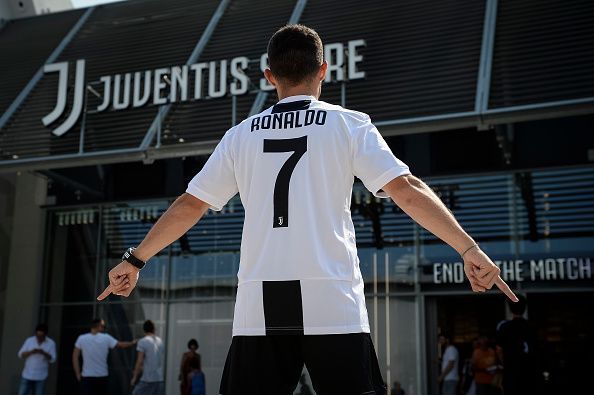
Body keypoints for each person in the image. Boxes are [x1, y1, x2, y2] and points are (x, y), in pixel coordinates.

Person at [97, 24, 517, 394]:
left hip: (260, 298)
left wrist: (135, 260)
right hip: (330, 294)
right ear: (323, 70)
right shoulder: (348, 124)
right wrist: (468, 248)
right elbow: (405, 190)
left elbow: (191, 204)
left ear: (269, 77)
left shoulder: (240, 135)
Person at [72, 318, 136, 395]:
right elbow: (121, 345)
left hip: (87, 376)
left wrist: (78, 374)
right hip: (102, 376)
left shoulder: (81, 338)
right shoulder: (106, 338)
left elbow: (75, 357)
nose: (104, 328)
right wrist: (132, 343)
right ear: (99, 326)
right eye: (103, 326)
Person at [496, 295, 540, 395]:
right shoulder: (532, 327)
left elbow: (499, 349)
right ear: (525, 308)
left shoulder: (504, 327)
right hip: (530, 374)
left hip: (511, 374)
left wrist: (505, 363)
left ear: (510, 309)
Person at [17, 323, 56, 395]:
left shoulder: (51, 343)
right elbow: (20, 354)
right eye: (37, 336)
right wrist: (31, 352)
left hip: (40, 376)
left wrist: (43, 353)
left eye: (41, 336)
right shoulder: (29, 340)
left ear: (45, 335)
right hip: (27, 374)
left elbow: (53, 359)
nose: (39, 338)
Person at [131, 320, 164, 395]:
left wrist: (135, 377)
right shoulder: (160, 341)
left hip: (147, 379)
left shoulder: (142, 341)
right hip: (159, 379)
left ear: (144, 330)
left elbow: (140, 361)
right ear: (154, 329)